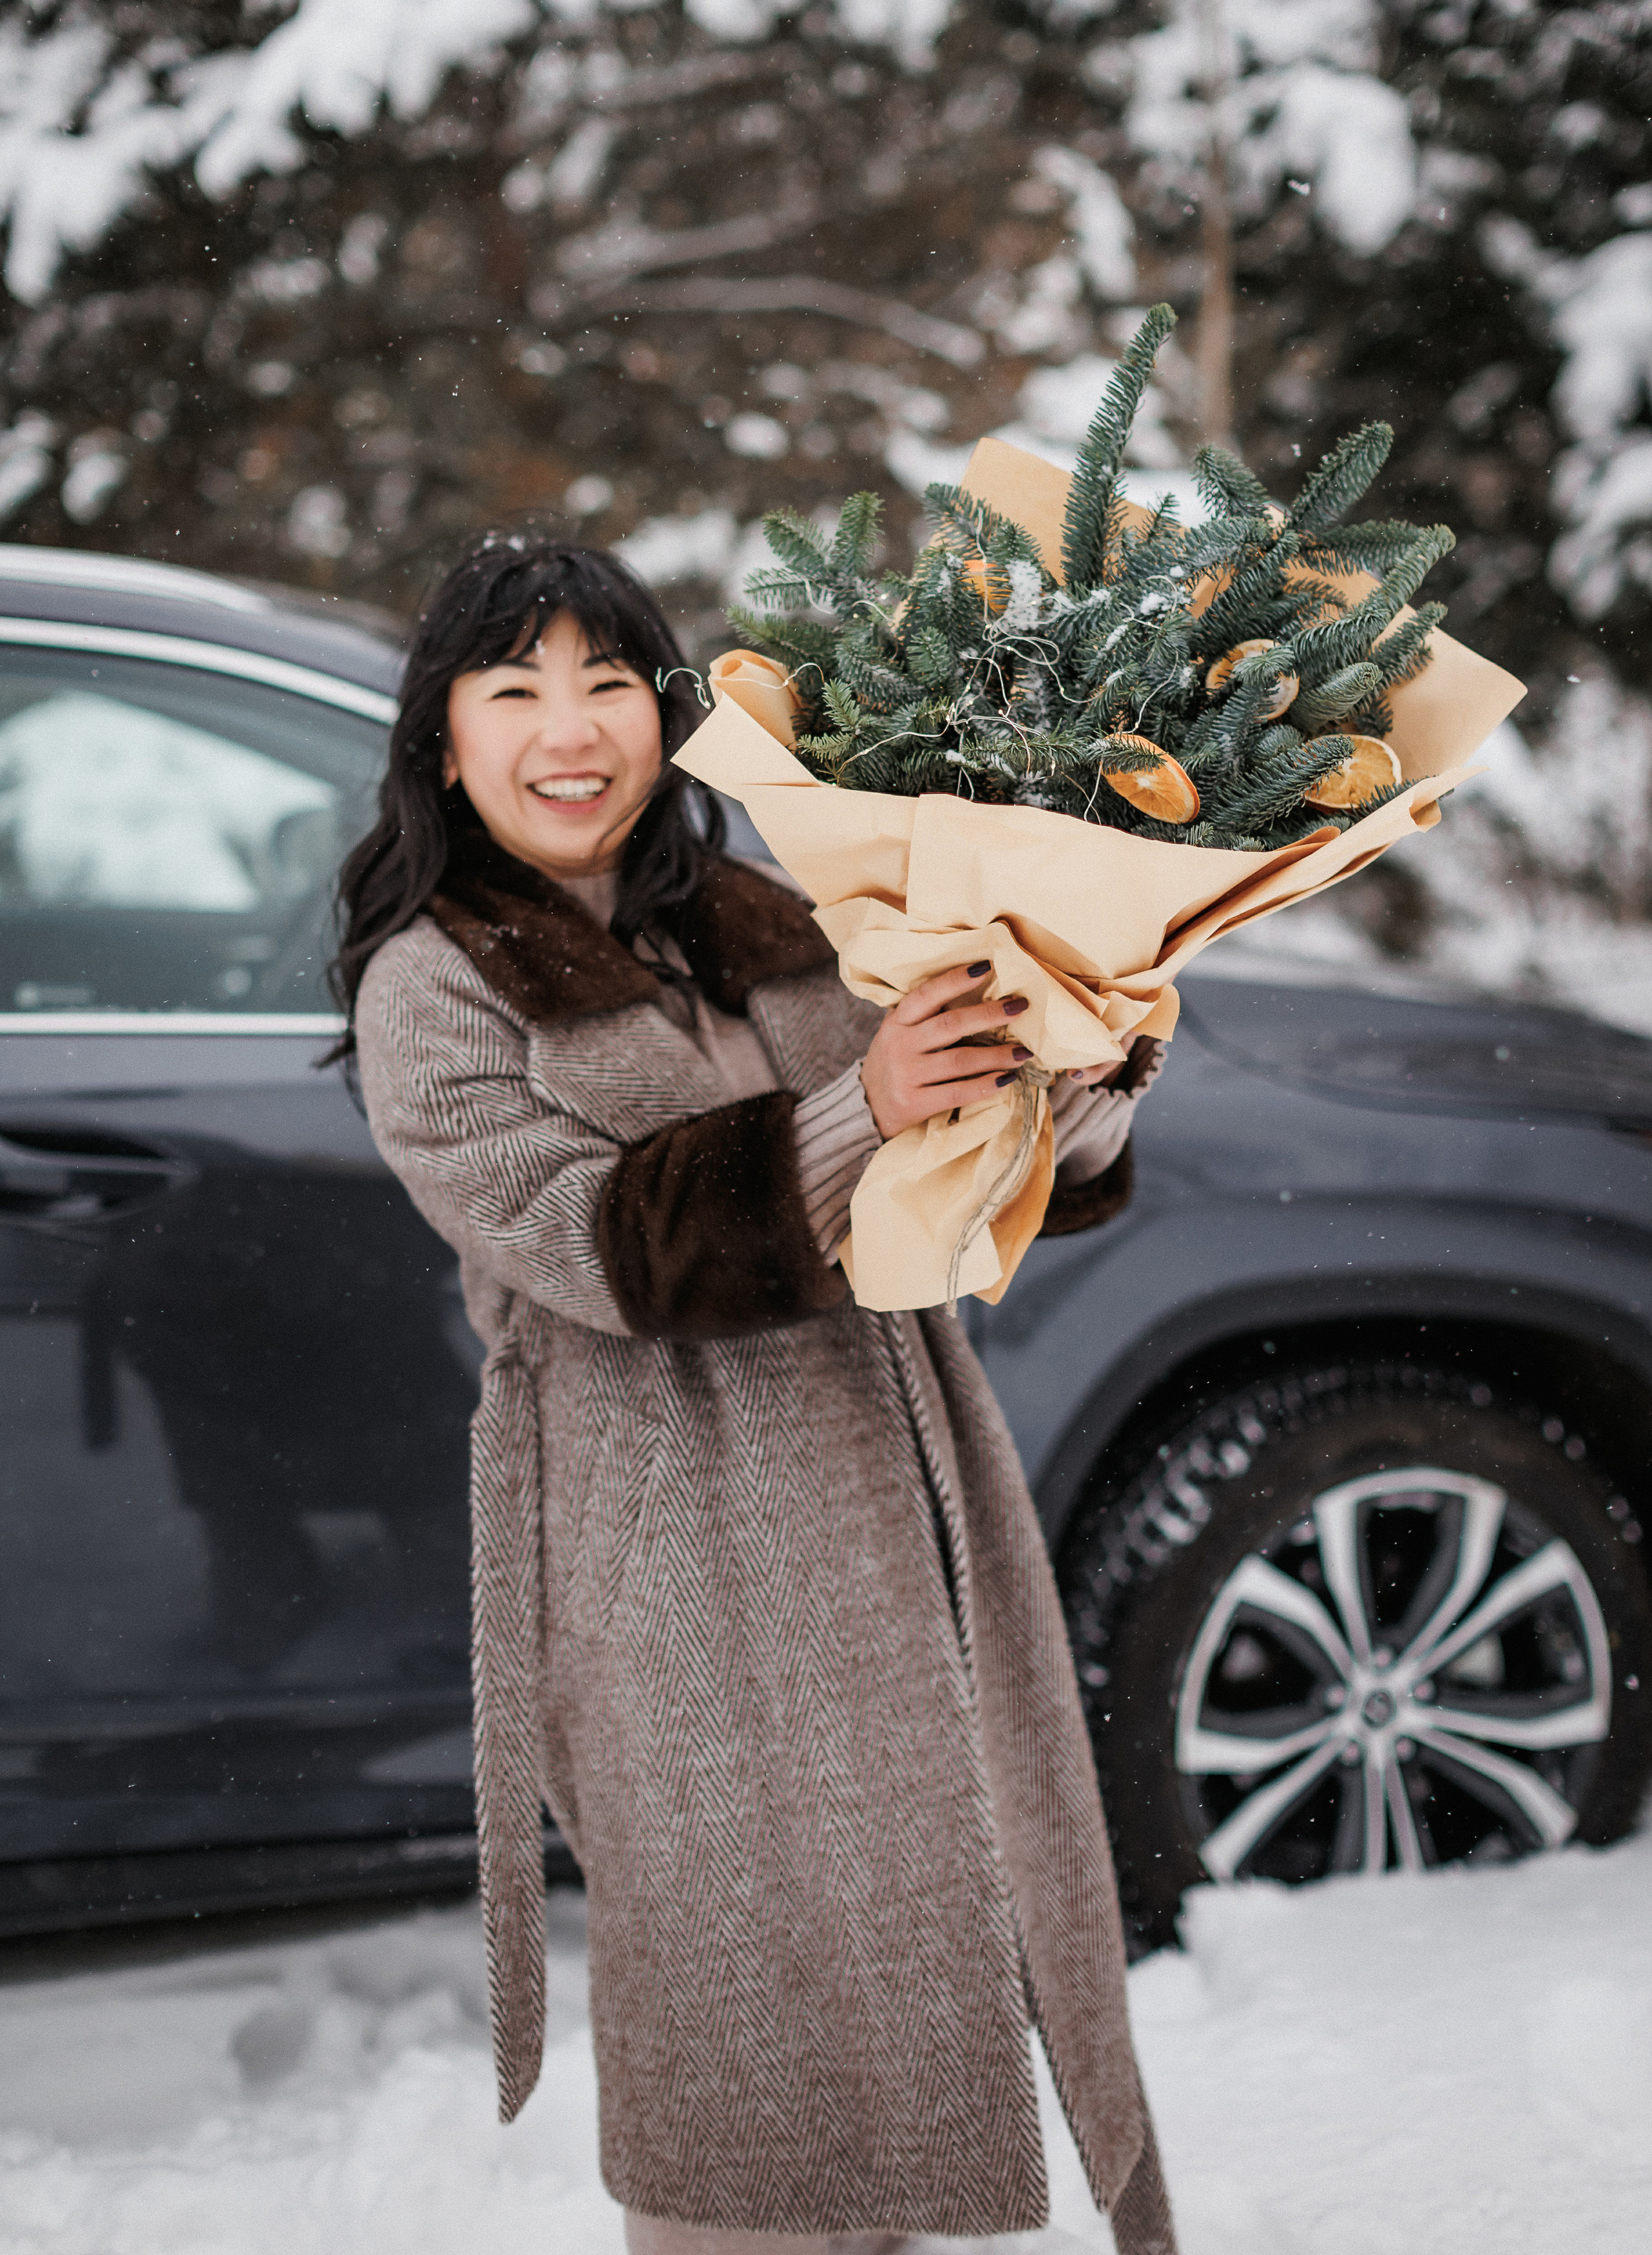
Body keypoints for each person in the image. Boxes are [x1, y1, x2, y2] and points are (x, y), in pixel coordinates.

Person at [336, 532, 1177, 2255]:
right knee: (748, 2039)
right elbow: (601, 1247)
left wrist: (1077, 1072)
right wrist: (862, 1104)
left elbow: (1000, 1162)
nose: (569, 731)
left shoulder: (784, 912)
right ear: (443, 739)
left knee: (927, 1962)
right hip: (674, 1559)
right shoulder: (430, 985)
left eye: (609, 685)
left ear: (667, 714)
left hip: (901, 1497)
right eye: (515, 692)